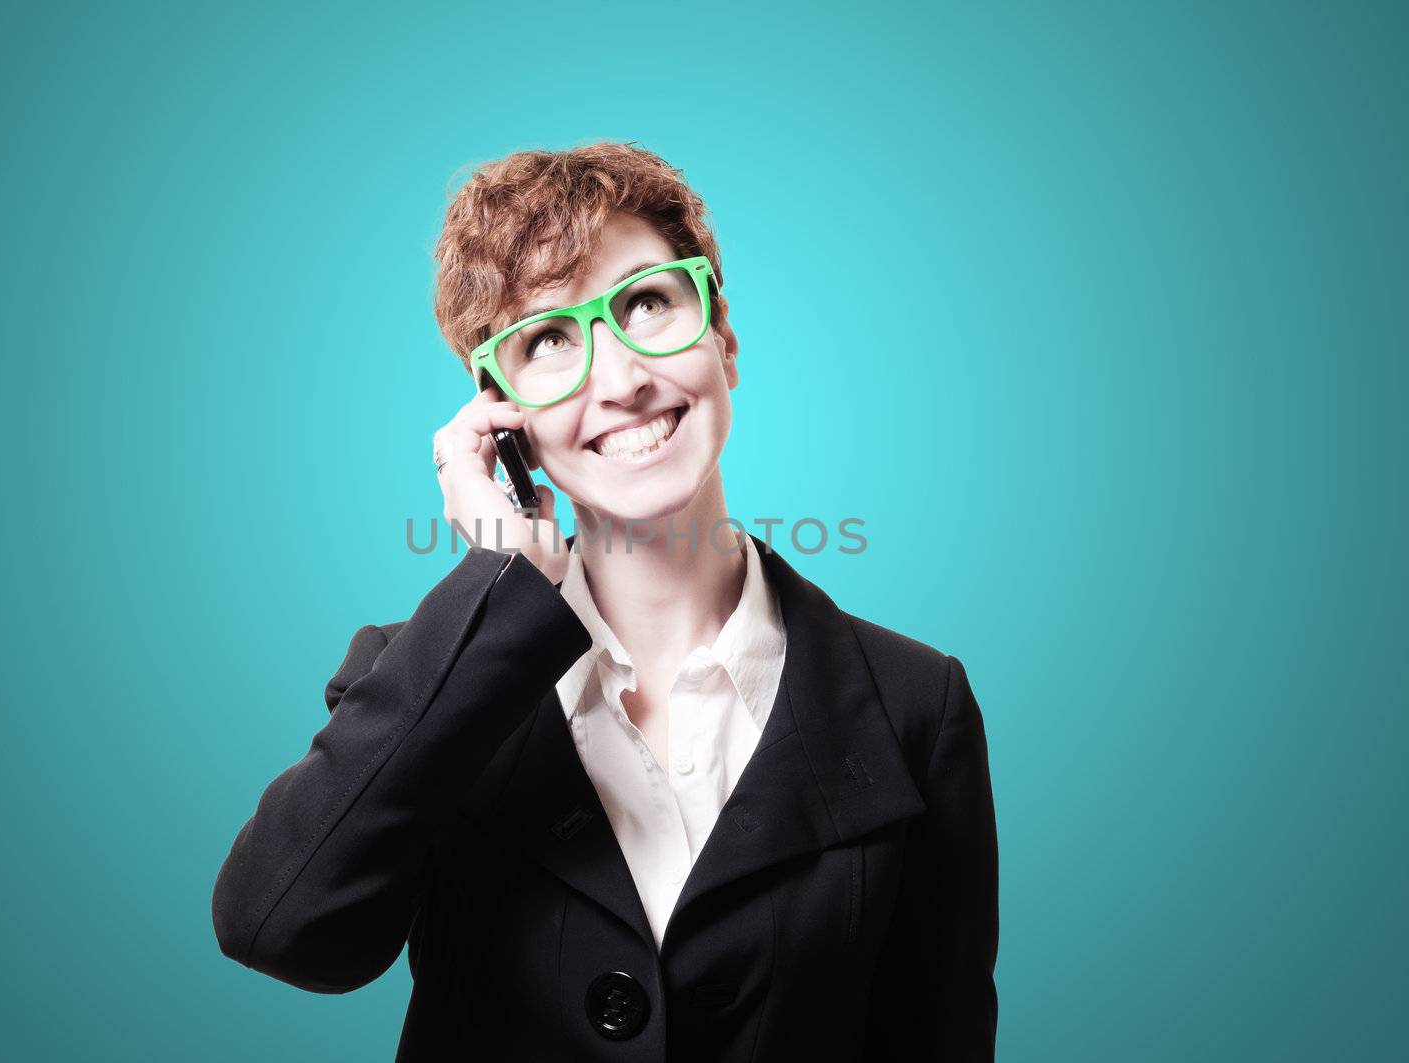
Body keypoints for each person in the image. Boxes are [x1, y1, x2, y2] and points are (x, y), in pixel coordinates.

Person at [211, 141, 999, 1061]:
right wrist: (504, 579)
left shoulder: (916, 702)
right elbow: (279, 925)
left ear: (723, 338)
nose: (621, 379)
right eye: (549, 339)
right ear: (502, 417)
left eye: (647, 304)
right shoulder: (415, 675)